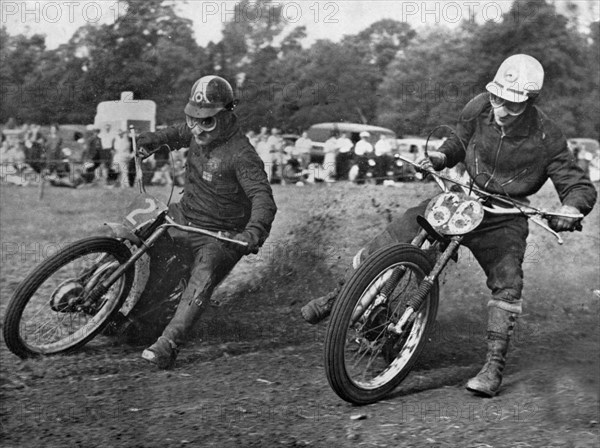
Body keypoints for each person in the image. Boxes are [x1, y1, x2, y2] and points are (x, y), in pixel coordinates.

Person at [300, 54, 597, 397]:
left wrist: (570, 208)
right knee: (402, 230)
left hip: (504, 214)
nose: (500, 110)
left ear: (530, 102)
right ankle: (340, 297)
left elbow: (577, 184)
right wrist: (441, 157)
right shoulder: (478, 107)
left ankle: (493, 365)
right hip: (463, 195)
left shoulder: (548, 135)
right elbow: (459, 139)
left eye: (512, 105)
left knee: (508, 280)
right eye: (498, 98)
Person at [135, 75, 277, 369]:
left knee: (204, 270)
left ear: (226, 116)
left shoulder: (242, 155)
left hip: (220, 235)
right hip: (184, 216)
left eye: (207, 122)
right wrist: (150, 141)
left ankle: (169, 343)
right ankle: (108, 299)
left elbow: (263, 198)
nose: (197, 130)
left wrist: (253, 232)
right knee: (140, 233)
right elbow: (175, 133)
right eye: (192, 119)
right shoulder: (196, 131)